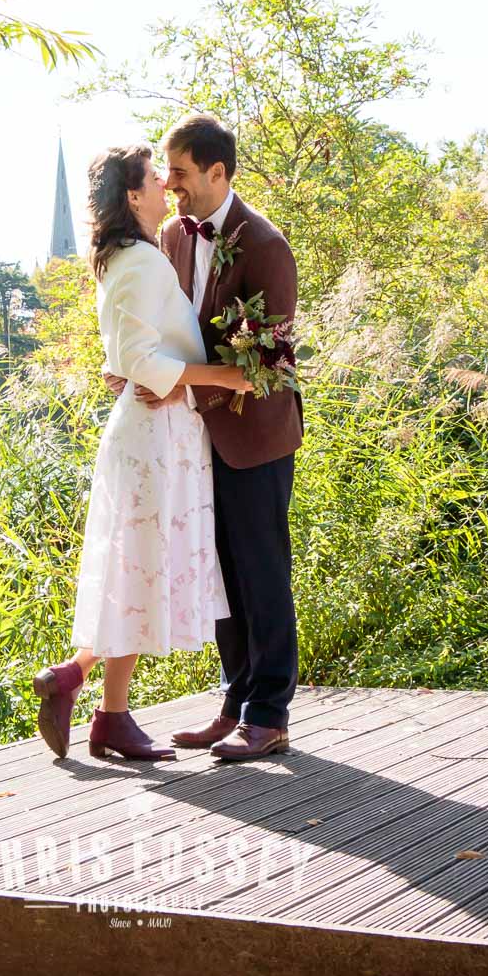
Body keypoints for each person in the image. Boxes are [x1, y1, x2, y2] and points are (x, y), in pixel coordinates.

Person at [31, 144, 252, 761]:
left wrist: (144, 373)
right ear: (134, 197)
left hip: (159, 435)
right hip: (153, 441)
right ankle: (111, 714)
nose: (167, 186)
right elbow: (140, 360)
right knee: (136, 568)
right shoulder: (141, 263)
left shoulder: (133, 258)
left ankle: (82, 684)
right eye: (157, 178)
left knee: (137, 564)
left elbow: (130, 354)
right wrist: (224, 378)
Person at [139, 112, 304, 762]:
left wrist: (183, 385)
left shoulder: (264, 244)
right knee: (220, 574)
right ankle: (235, 702)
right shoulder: (175, 238)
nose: (171, 186)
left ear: (217, 172)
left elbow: (270, 367)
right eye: (167, 175)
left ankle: (270, 714)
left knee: (262, 572)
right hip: (196, 437)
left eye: (180, 174)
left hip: (256, 437)